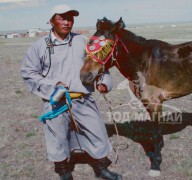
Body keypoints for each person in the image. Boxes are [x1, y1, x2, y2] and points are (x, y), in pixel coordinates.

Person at [21, 4, 122, 180]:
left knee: (97, 132)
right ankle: (64, 172)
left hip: (83, 98)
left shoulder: (82, 41)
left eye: (70, 18)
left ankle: (101, 169)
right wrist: (53, 85)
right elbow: (29, 73)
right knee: (57, 137)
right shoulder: (39, 46)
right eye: (62, 18)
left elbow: (98, 65)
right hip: (55, 101)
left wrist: (104, 82)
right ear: (52, 21)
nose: (67, 22)